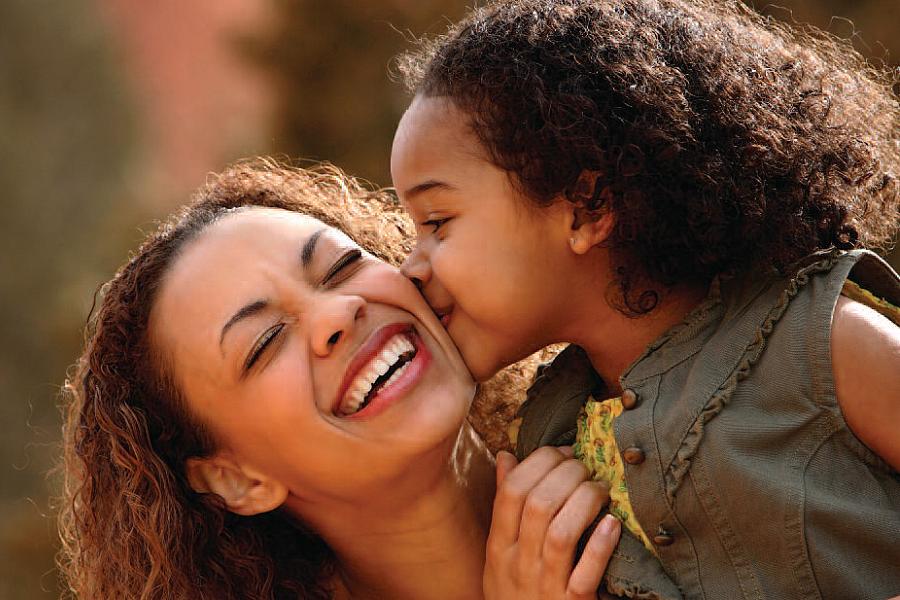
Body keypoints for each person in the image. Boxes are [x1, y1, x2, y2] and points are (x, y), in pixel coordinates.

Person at [391, 0, 900, 598]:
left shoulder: (823, 340)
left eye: (437, 220)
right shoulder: (544, 452)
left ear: (586, 208)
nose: (410, 268)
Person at [57, 160, 623, 600]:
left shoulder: (644, 421)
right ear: (236, 480)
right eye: (264, 343)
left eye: (340, 268)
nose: (337, 314)